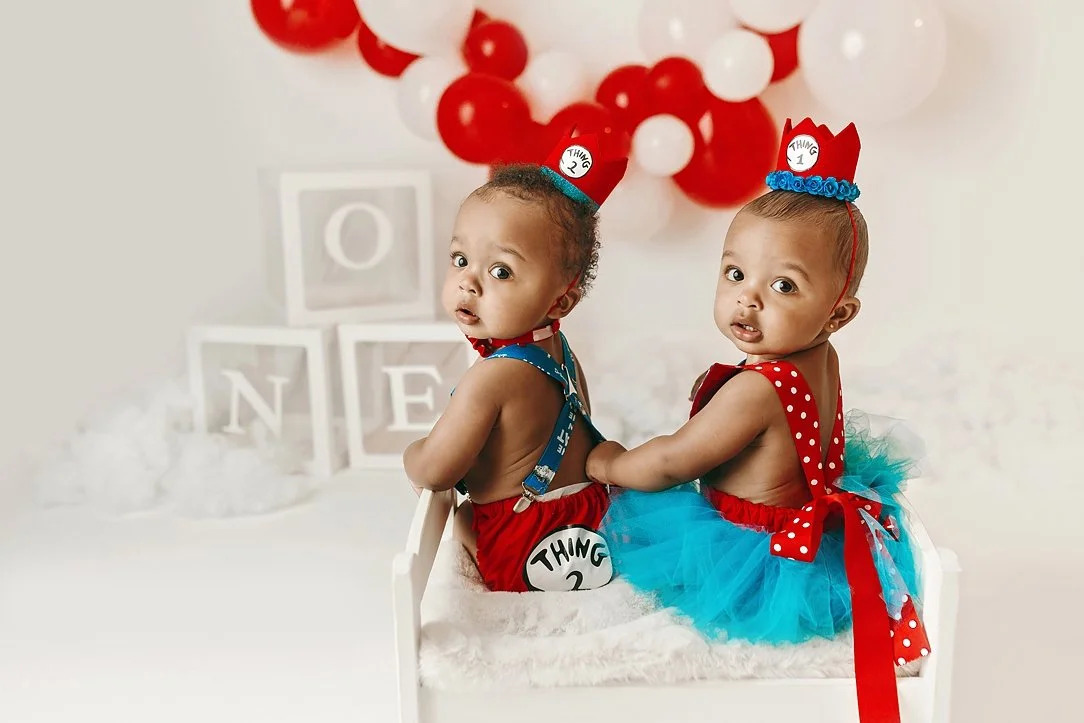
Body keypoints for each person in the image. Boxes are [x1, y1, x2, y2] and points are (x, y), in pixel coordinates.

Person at [587, 118, 928, 722]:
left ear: (838, 312)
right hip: (806, 520)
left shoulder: (757, 389)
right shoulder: (821, 356)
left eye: (783, 285)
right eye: (735, 273)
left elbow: (674, 460)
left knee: (636, 536)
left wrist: (610, 460)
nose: (748, 299)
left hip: (754, 552)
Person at [403, 130, 628, 593]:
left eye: (501, 271)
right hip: (587, 515)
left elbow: (434, 471)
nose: (469, 283)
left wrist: (411, 453)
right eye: (460, 258)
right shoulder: (558, 350)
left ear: (560, 301)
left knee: (467, 520)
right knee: (467, 515)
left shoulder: (491, 378)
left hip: (534, 544)